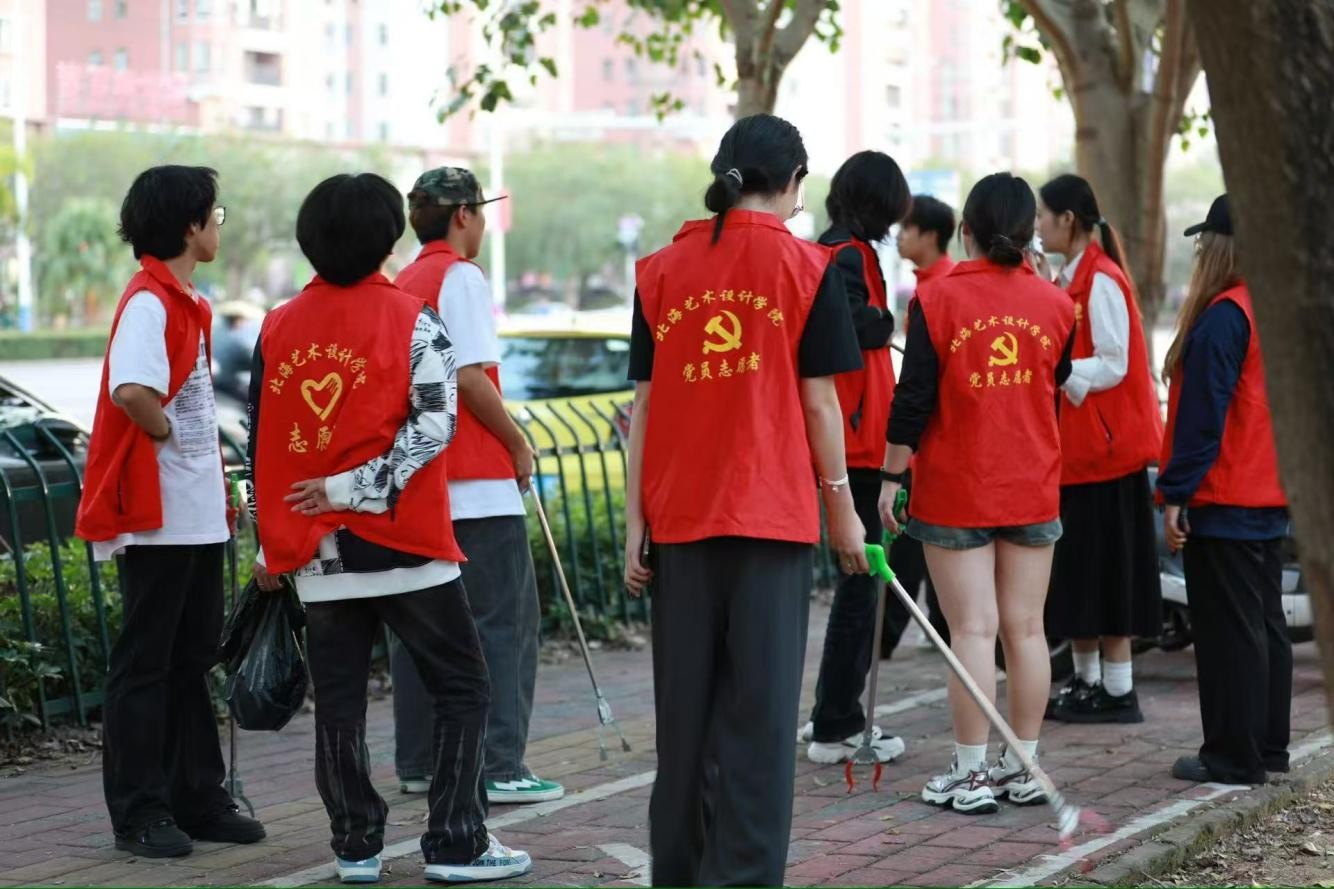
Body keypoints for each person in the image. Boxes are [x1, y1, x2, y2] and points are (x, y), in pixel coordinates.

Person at [246, 173, 530, 885]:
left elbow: (263, 441)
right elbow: (436, 425)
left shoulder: (277, 326)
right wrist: (355, 488)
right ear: (386, 239)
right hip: (407, 544)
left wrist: (271, 540)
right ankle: (456, 840)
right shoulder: (413, 318)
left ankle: (355, 845)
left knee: (339, 704)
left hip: (317, 550)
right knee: (462, 685)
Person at [622, 113, 867, 886]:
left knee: (684, 723)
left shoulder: (659, 271)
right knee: (758, 723)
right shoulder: (808, 267)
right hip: (770, 520)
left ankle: (679, 872)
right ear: (794, 182)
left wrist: (634, 523)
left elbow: (644, 407)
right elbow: (820, 405)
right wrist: (843, 510)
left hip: (679, 522)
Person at [74, 166, 265, 858]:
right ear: (190, 225)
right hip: (157, 518)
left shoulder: (186, 301)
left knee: (190, 659)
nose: (219, 225)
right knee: (146, 664)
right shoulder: (149, 301)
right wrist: (166, 437)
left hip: (193, 514)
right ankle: (140, 811)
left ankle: (198, 797)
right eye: (216, 214)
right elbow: (133, 390)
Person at [878, 173, 1075, 815]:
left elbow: (912, 400)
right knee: (1026, 628)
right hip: (1032, 483)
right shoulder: (1057, 305)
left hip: (957, 486)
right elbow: (1056, 379)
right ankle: (1025, 766)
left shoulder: (937, 299)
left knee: (971, 629)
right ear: (1027, 233)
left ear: (966, 231)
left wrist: (889, 479)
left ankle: (969, 776)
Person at [390, 167, 563, 805]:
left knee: (420, 628)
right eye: (481, 213)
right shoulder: (460, 276)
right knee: (503, 623)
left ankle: (420, 761)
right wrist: (517, 441)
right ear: (463, 215)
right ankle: (499, 764)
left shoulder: (403, 282)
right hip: (477, 482)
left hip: (420, 482)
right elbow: (468, 375)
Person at [1156, 195, 1290, 785]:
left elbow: (1202, 419)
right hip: (1268, 486)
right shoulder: (1272, 312)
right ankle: (1268, 745)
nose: (1199, 253)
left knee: (1228, 631)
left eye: (1203, 243)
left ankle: (1234, 755)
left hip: (1226, 490)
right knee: (1263, 622)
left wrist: (1176, 493)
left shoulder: (1224, 316)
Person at [1035, 174, 1164, 724]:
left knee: (1109, 578)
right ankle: (1087, 682)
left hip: (1107, 458)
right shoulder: (1070, 279)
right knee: (1080, 577)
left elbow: (1117, 361)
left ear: (1068, 219)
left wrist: (1063, 371)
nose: (1038, 225)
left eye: (1043, 215)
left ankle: (1117, 688)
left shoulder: (1103, 280)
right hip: (1081, 458)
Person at [797, 150, 911, 766]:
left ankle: (830, 711)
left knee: (857, 585)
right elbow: (851, 326)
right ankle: (837, 723)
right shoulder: (846, 254)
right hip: (858, 442)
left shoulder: (838, 248)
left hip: (853, 435)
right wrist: (886, 319)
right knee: (861, 585)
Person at [882, 194, 959, 657]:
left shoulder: (943, 291)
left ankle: (887, 639)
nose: (899, 236)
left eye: (907, 228)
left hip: (937, 444)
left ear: (930, 235)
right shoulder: (926, 287)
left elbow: (923, 387)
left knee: (911, 543)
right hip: (927, 443)